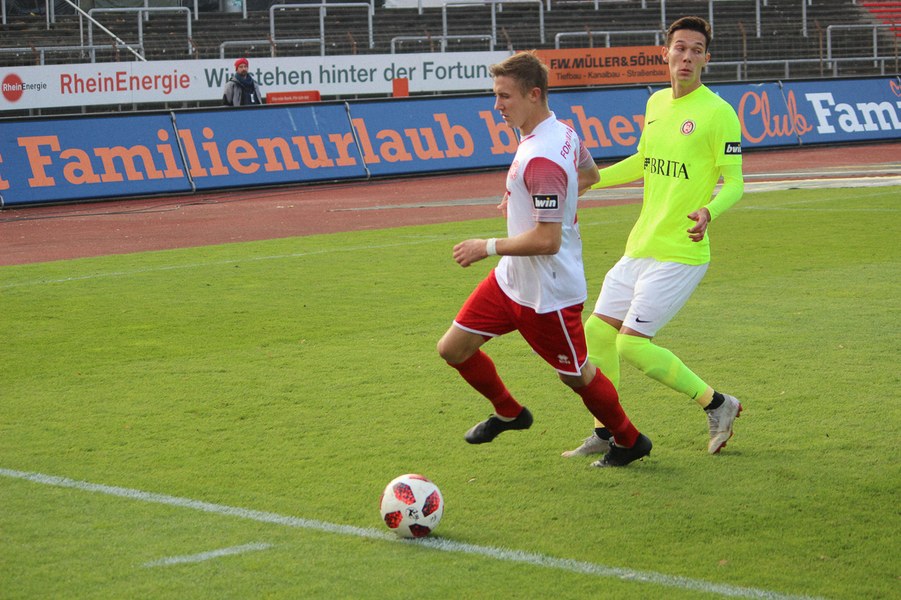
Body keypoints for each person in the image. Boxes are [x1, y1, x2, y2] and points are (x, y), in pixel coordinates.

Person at [437, 51, 652, 468]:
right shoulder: (561, 132)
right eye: (496, 95)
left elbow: (548, 240)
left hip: (548, 293)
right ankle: (509, 412)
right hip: (511, 280)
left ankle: (630, 440)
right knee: (453, 348)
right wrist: (527, 199)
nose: (497, 105)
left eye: (505, 96)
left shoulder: (542, 156)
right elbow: (589, 175)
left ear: (534, 94)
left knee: (576, 375)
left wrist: (486, 246)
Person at [562, 16, 744, 460]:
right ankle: (607, 430)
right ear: (665, 53)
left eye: (696, 50)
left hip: (681, 252)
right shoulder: (657, 102)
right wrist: (591, 180)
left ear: (706, 58)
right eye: (680, 47)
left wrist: (709, 210)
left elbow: (736, 183)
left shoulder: (719, 113)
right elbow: (644, 160)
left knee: (631, 343)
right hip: (640, 246)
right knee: (597, 334)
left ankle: (718, 404)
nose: (687, 57)